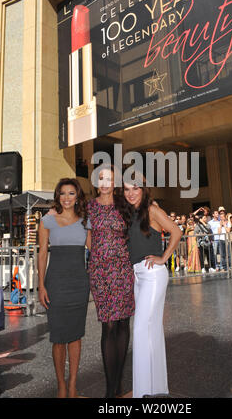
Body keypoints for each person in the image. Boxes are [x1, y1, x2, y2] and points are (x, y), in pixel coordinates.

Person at [122, 175, 182, 398]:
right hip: (138, 276)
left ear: (144, 189)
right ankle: (157, 389)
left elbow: (176, 231)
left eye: (135, 188)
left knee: (140, 329)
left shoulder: (152, 209)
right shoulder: (130, 213)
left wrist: (164, 257)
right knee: (152, 331)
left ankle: (142, 394)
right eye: (127, 189)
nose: (131, 193)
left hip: (153, 275)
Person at [38, 178, 91, 398]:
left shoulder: (86, 221)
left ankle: (72, 387)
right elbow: (42, 255)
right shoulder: (47, 220)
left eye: (71, 193)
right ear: (57, 196)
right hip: (56, 283)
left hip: (79, 283)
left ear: (77, 196)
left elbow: (96, 249)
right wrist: (41, 285)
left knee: (76, 336)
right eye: (62, 193)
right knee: (58, 337)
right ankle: (61, 386)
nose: (66, 198)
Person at [87, 165, 135, 398]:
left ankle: (118, 384)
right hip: (100, 272)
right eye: (101, 178)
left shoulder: (124, 205)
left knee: (123, 323)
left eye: (110, 179)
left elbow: (136, 230)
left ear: (115, 183)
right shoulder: (88, 207)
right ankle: (110, 388)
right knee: (109, 325)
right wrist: (102, 255)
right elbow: (88, 240)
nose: (105, 183)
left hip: (123, 270)